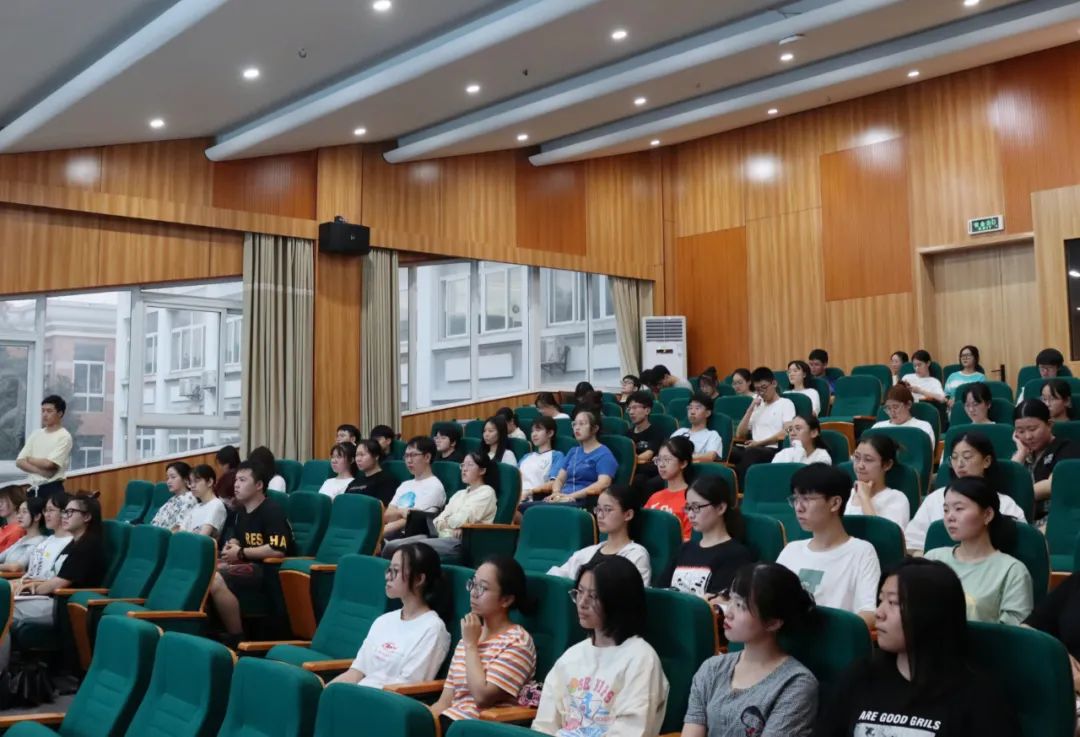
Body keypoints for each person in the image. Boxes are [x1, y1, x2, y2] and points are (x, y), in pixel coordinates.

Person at [815, 558, 1021, 737]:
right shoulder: (859, 677)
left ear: (930, 612)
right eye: (880, 600)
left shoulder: (978, 697)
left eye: (893, 603)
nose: (879, 612)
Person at [532, 557, 669, 737]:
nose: (582, 603)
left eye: (593, 596)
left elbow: (632, 731)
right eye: (579, 592)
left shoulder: (641, 659)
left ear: (618, 602)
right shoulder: (571, 656)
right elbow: (544, 725)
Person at [682, 563, 818, 737]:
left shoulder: (795, 684)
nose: (728, 612)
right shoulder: (712, 668)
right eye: (730, 599)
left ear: (773, 623)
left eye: (741, 605)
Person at [429, 556, 537, 730]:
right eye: (473, 584)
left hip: (479, 728)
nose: (473, 593)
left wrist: (471, 646)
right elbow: (444, 702)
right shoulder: (470, 635)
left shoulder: (518, 642)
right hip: (450, 723)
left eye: (483, 588)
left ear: (506, 600)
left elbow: (482, 697)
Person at [1, 492, 105, 670]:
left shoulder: (88, 545)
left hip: (63, 605)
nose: (65, 516)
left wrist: (31, 589)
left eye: (70, 512)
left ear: (87, 517)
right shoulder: (74, 543)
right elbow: (54, 576)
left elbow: (59, 583)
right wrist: (32, 585)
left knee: (3, 608)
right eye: (64, 512)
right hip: (52, 599)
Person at [330, 542, 451, 689]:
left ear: (419, 579)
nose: (388, 576)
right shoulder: (384, 620)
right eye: (389, 570)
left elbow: (406, 688)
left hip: (384, 700)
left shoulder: (433, 629)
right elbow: (355, 673)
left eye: (395, 571)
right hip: (358, 693)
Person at [776, 464, 880, 627]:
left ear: (835, 503)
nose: (798, 508)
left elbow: (868, 612)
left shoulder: (861, 552)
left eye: (807, 499)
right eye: (795, 499)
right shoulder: (791, 550)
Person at [924, 477, 1033, 625]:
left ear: (987, 515)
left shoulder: (1012, 571)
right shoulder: (932, 559)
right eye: (946, 510)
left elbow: (1012, 634)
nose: (949, 517)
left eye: (959, 509)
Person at [209, 461, 294, 647]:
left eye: (242, 480)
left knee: (214, 579)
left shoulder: (272, 510)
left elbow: (277, 550)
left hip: (268, 570)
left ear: (259, 485)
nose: (236, 485)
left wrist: (240, 553)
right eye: (236, 480)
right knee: (204, 571)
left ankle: (237, 639)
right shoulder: (242, 511)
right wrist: (233, 544)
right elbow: (241, 538)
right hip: (247, 563)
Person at [906, 431, 1026, 553]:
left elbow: (1020, 546)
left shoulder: (1005, 504)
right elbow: (912, 543)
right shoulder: (935, 499)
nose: (959, 464)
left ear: (986, 461)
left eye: (967, 457)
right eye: (954, 457)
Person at [383, 451, 498, 559]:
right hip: (439, 536)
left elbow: (461, 520)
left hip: (461, 542)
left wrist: (452, 523)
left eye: (470, 465)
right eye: (463, 465)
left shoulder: (487, 492)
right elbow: (437, 521)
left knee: (403, 548)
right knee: (391, 546)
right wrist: (453, 525)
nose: (464, 469)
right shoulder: (459, 494)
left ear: (482, 470)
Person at [658, 473, 753, 597]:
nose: (690, 515)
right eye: (688, 507)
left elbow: (716, 602)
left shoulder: (736, 555)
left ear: (720, 508)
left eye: (696, 507)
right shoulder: (684, 549)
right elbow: (660, 591)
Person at [548, 485, 651, 586]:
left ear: (628, 515)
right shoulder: (586, 553)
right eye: (598, 509)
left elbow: (634, 594)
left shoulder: (636, 555)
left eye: (607, 509)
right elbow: (554, 577)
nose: (600, 516)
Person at [521, 409, 616, 510]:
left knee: (532, 510)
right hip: (563, 499)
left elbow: (603, 483)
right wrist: (556, 493)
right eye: (574, 424)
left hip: (583, 501)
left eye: (582, 424)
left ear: (595, 428)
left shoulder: (604, 454)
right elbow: (560, 479)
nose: (577, 428)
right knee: (521, 508)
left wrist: (571, 496)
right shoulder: (573, 451)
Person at [1011, 398, 1080, 515]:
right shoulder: (1021, 453)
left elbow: (1051, 485)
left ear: (1049, 424)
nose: (1028, 436)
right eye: (1021, 431)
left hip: (1053, 517)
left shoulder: (1067, 448)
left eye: (1032, 429)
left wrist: (1016, 496)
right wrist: (1020, 455)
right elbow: (1007, 483)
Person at [732, 368, 796, 483]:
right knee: (731, 452)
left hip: (773, 448)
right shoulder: (757, 407)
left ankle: (743, 489)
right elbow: (740, 434)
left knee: (751, 453)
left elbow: (787, 431)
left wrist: (759, 443)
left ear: (774, 383)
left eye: (764, 387)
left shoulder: (785, 404)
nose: (761, 392)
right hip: (753, 447)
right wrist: (750, 409)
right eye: (757, 389)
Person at [384, 436, 447, 539]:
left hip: (413, 538)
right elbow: (387, 516)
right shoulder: (404, 485)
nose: (409, 460)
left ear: (427, 457)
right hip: (392, 535)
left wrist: (382, 532)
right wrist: (401, 512)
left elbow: (414, 520)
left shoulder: (435, 487)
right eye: (406, 456)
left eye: (413, 455)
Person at [845, 435, 911, 529]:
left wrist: (865, 498)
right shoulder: (845, 494)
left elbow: (884, 536)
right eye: (857, 457)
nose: (860, 466)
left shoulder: (896, 498)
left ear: (887, 465)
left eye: (868, 460)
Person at [15, 395, 73, 498]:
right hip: (32, 488)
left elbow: (49, 464)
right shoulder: (36, 434)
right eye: (43, 411)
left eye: (49, 411)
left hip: (52, 488)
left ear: (60, 413)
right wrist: (41, 472)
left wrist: (29, 459)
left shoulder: (64, 436)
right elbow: (19, 462)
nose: (45, 414)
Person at [644, 437, 693, 541]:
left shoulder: (692, 499)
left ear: (683, 463)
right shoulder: (654, 497)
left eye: (667, 460)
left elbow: (688, 540)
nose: (661, 465)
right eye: (659, 459)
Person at [625, 391, 666, 497]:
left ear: (647, 410)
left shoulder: (656, 431)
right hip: (633, 469)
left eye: (635, 408)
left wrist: (631, 461)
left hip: (649, 471)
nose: (631, 412)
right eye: (629, 409)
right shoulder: (627, 434)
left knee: (639, 480)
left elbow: (648, 455)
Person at [871, 384, 936, 448]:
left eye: (895, 407)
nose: (892, 412)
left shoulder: (923, 427)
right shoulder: (878, 427)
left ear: (908, 404)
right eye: (888, 408)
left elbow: (926, 453)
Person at [518, 417, 565, 502]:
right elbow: (513, 478)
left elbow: (553, 483)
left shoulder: (557, 456)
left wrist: (529, 492)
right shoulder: (526, 457)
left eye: (538, 430)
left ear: (550, 433)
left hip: (534, 499)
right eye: (532, 431)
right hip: (517, 497)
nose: (534, 434)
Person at [670, 392, 723, 462]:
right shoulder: (680, 431)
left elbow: (710, 456)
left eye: (697, 408)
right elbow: (667, 449)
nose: (692, 412)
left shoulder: (712, 435)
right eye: (690, 408)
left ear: (707, 413)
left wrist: (682, 458)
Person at [0, 498, 48, 573]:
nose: (19, 516)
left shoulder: (40, 542)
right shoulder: (22, 539)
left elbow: (16, 567)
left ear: (37, 517)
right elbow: (2, 556)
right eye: (19, 512)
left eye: (24, 512)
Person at [345, 439, 397, 506]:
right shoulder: (355, 481)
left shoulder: (387, 480)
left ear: (376, 456)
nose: (358, 459)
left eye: (362, 455)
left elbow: (381, 507)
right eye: (356, 455)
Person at [181, 464, 227, 539]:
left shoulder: (216, 505)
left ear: (210, 482)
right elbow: (180, 532)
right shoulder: (196, 507)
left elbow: (202, 538)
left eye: (196, 481)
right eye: (191, 482)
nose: (192, 486)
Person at [150, 461, 197, 530]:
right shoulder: (171, 499)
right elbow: (154, 522)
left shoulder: (190, 498)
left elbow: (178, 528)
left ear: (185, 479)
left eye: (173, 477)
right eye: (167, 478)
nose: (168, 481)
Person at [0, 486, 27, 553]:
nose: (0, 505)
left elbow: (7, 556)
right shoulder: (4, 528)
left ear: (15, 501)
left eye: (2, 501)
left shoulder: (18, 530)